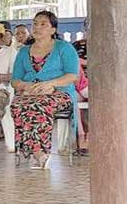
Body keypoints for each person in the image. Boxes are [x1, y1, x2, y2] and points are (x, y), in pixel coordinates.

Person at [11, 11, 79, 170]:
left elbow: (72, 75)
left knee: (39, 106)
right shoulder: (23, 51)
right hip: (30, 93)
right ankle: (36, 152)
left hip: (60, 93)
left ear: (53, 30)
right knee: (17, 106)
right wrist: (26, 86)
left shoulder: (64, 48)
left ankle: (39, 153)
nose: (37, 27)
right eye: (35, 23)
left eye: (43, 24)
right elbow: (15, 80)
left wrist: (51, 84)